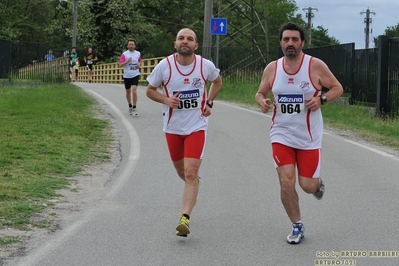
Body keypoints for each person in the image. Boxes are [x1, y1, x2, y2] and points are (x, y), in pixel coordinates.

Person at [255, 22, 343, 244]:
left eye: (295, 39)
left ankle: (317, 183)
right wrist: (262, 101)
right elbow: (260, 92)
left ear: (302, 42)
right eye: (286, 39)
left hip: (309, 136)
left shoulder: (315, 66)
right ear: (281, 43)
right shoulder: (272, 68)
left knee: (307, 186)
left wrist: (321, 99)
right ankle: (297, 225)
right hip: (281, 133)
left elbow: (337, 88)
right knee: (286, 181)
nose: (290, 43)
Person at [146, 28, 222, 237]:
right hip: (172, 127)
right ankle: (194, 184)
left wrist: (209, 102)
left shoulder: (205, 66)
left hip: (197, 125)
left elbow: (217, 81)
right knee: (182, 172)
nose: (185, 41)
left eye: (190, 39)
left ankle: (185, 218)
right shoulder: (165, 66)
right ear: (175, 44)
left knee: (190, 172)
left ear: (196, 46)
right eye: (181, 38)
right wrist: (166, 100)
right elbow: (150, 90)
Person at [119, 39, 141, 115]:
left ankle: (134, 107)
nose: (131, 46)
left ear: (135, 45)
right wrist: (127, 61)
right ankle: (130, 105)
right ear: (127, 45)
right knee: (128, 92)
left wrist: (139, 65)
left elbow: (139, 61)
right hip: (127, 75)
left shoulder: (138, 53)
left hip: (135, 74)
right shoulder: (124, 54)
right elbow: (120, 65)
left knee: (134, 91)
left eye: (132, 44)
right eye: (130, 44)